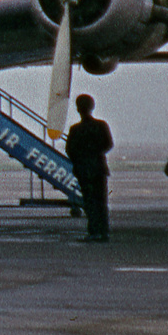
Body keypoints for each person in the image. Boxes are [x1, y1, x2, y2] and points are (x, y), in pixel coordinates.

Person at [64, 94, 113, 241]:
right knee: (101, 201)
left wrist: (80, 160)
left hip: (84, 170)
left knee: (90, 202)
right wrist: (96, 152)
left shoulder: (75, 129)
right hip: (99, 169)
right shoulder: (101, 125)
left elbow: (70, 150)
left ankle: (94, 232)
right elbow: (108, 144)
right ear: (92, 107)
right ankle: (104, 232)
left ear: (78, 109)